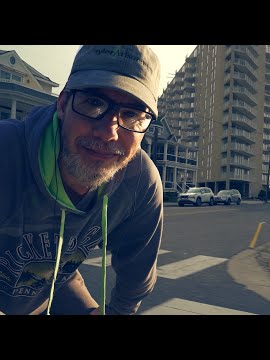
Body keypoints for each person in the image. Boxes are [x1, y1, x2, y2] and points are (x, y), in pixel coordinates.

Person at [0, 45, 163, 315]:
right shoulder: (6, 152)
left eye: (132, 114)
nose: (109, 133)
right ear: (63, 104)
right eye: (94, 103)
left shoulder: (139, 182)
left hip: (51, 286)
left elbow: (136, 279)